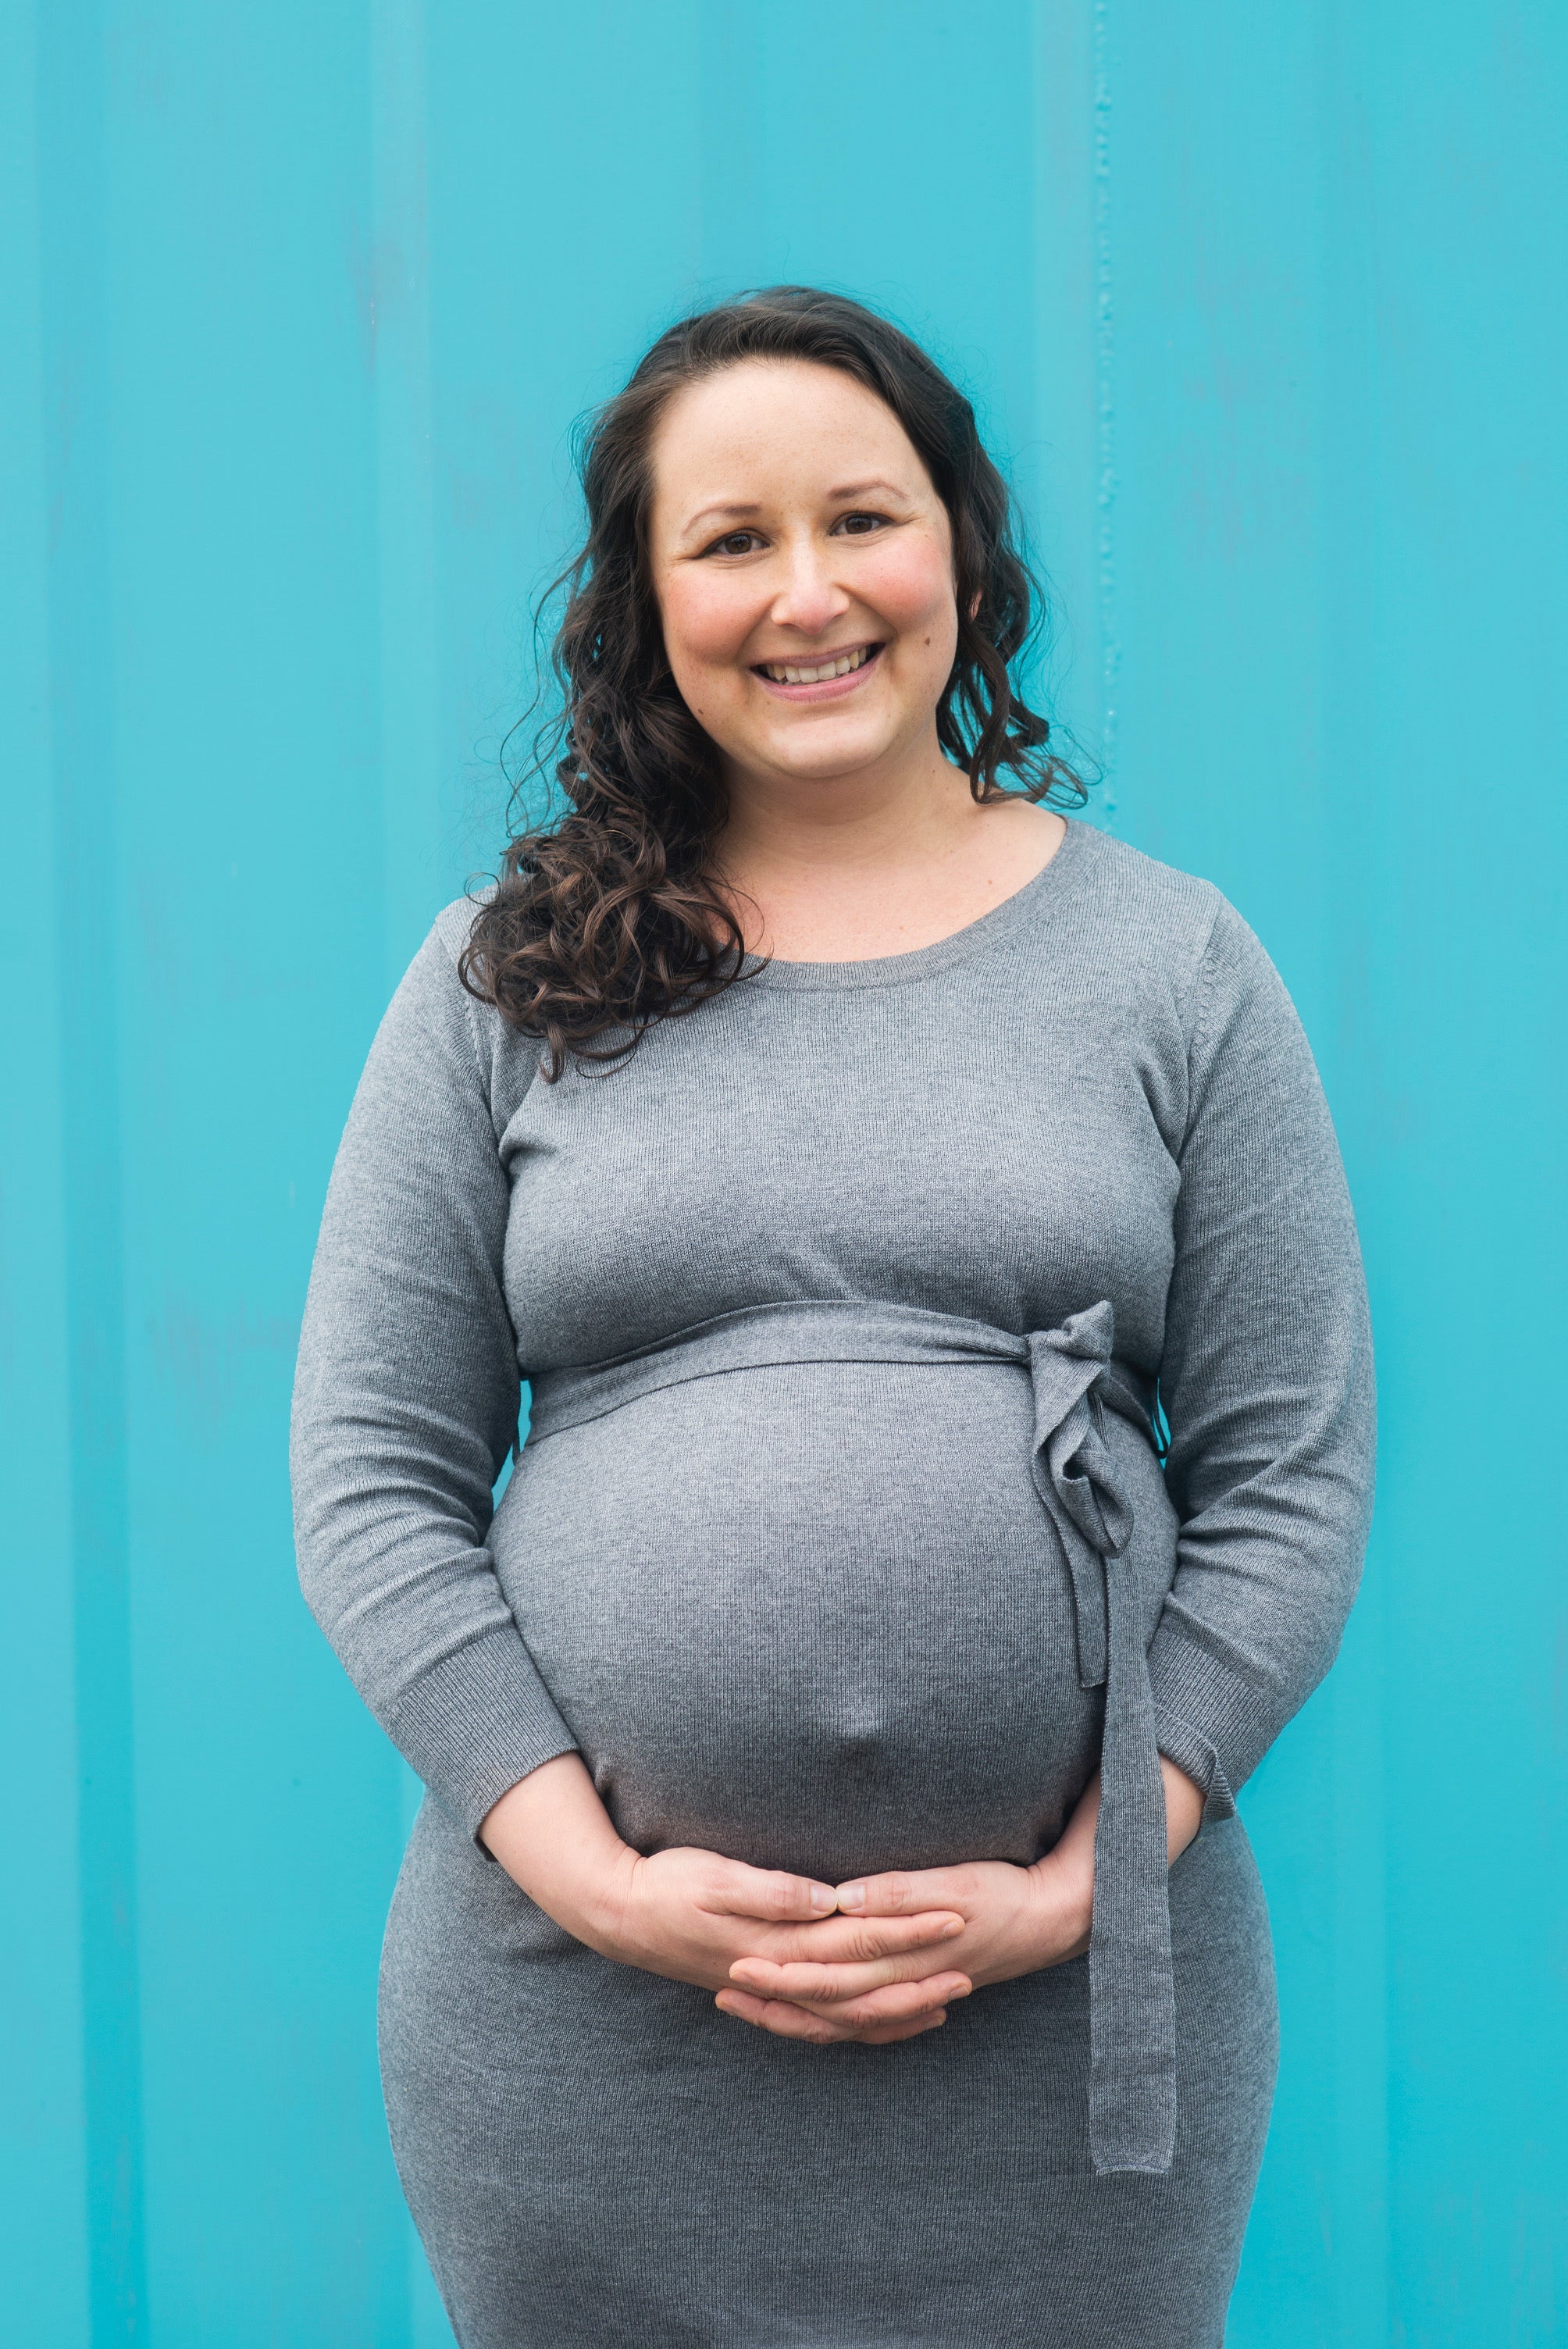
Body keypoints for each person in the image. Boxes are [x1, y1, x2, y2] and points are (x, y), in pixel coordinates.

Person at [290, 286, 1374, 2348]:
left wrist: (1087, 1881)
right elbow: (370, 1474)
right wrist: (592, 1879)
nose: (809, 594)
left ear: (964, 545)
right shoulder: (497, 980)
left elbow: (1293, 1474)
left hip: (1070, 2028)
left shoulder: (1174, 967)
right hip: (579, 2020)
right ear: (645, 605)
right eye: (730, 541)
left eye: (862, 518)